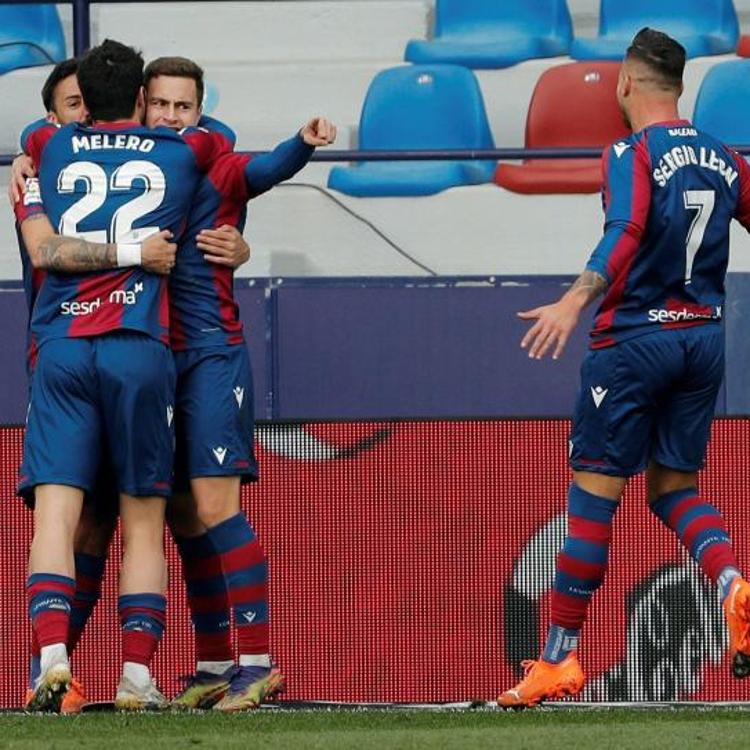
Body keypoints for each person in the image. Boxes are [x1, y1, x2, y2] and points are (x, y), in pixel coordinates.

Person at [498, 27, 750, 708]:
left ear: (626, 84)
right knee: (672, 489)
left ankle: (556, 658)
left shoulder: (631, 152)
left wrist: (575, 299)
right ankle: (732, 583)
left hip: (634, 342)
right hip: (702, 342)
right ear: (681, 86)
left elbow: (627, 228)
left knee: (592, 500)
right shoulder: (727, 158)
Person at [19, 38, 235, 712]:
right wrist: (140, 253)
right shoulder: (179, 151)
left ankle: (52, 661)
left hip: (61, 342)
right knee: (145, 521)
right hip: (139, 346)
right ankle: (137, 675)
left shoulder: (47, 152)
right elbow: (221, 144)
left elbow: (45, 244)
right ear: (142, 101)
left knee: (56, 517)